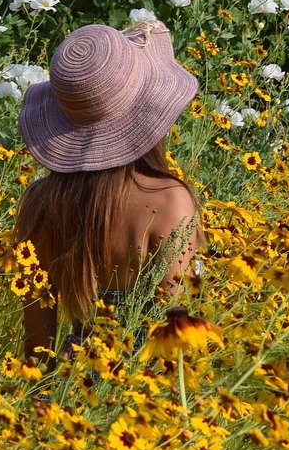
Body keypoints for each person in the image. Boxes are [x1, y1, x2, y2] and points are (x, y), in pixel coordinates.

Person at [15, 20, 200, 362]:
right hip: (145, 391)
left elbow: (36, 348)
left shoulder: (41, 204)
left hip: (73, 386)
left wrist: (42, 405)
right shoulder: (169, 201)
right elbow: (177, 325)